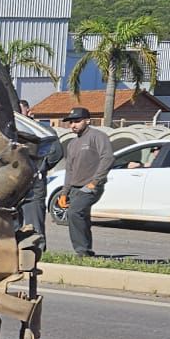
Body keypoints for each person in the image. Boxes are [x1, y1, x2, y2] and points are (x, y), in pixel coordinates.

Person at [59, 106, 113, 257]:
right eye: (70, 122)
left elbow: (107, 158)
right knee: (82, 218)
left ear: (87, 121)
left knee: (74, 213)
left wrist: (95, 182)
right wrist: (65, 193)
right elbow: (69, 170)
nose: (73, 125)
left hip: (90, 186)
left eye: (77, 121)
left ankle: (82, 251)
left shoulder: (97, 136)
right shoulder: (72, 144)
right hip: (75, 188)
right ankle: (87, 251)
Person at [17, 96, 61, 239]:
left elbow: (56, 152)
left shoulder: (41, 130)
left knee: (34, 225)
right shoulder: (8, 129)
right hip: (12, 185)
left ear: (28, 112)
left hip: (33, 185)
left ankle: (37, 252)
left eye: (20, 111)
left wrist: (40, 166)